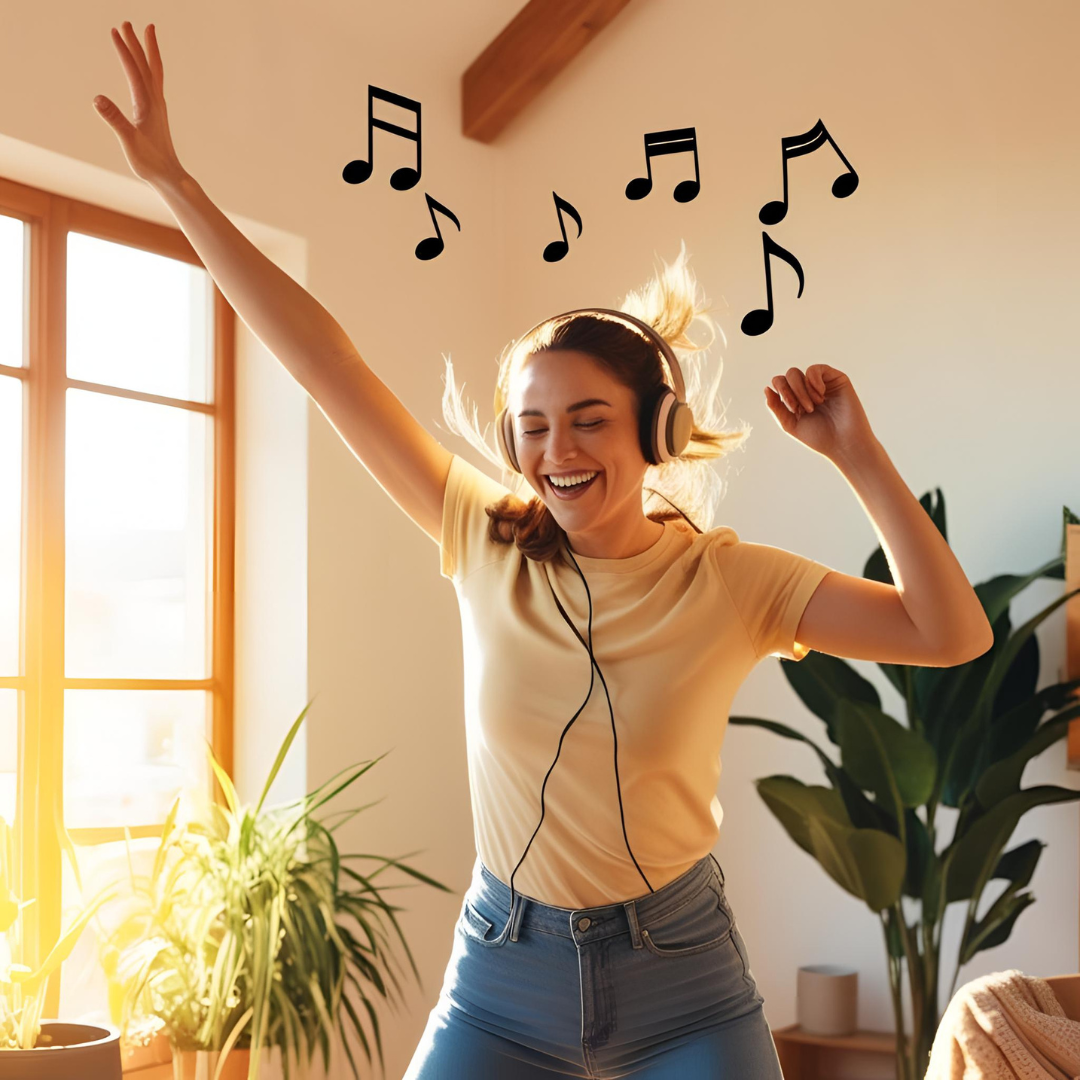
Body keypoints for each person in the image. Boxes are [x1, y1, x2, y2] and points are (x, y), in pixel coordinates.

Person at [95, 22, 994, 1078]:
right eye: (532, 425)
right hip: (504, 977)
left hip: (682, 979)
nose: (554, 452)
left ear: (656, 430)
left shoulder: (729, 581)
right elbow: (323, 361)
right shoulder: (482, 536)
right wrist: (177, 186)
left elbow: (951, 634)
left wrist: (859, 455)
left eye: (588, 420)